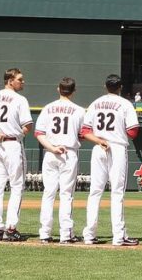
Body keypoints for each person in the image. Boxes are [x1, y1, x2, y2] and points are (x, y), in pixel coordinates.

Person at [81, 74, 139, 246]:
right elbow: (133, 132)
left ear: (105, 86)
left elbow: (85, 131)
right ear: (120, 87)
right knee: (117, 192)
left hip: (99, 146)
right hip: (117, 147)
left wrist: (100, 140)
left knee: (95, 192)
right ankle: (118, 236)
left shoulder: (95, 103)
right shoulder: (125, 104)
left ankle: (89, 234)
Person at [0, 67, 33, 241]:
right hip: (12, 144)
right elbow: (27, 125)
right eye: (20, 79)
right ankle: (10, 228)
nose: (23, 82)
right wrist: (18, 134)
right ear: (10, 80)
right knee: (17, 186)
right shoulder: (19, 99)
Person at [33, 78, 86, 244]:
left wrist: (52, 147)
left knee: (48, 193)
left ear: (58, 89)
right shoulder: (78, 110)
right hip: (68, 153)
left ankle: (44, 233)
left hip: (50, 152)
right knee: (66, 194)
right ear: (74, 91)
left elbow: (39, 133)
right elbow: (82, 134)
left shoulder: (48, 108)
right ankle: (65, 234)